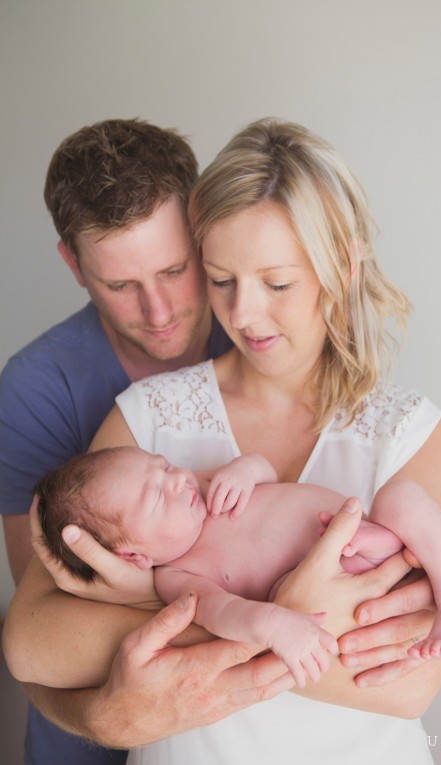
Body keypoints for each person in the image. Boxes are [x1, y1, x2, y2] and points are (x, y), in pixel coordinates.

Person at [4, 118, 441, 763]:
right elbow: (31, 641)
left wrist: (164, 617)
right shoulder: (150, 416)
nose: (243, 315)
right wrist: (256, 617)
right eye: (221, 281)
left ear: (342, 266)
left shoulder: (403, 425)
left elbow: (408, 688)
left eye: (278, 283)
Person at [0, 118, 233, 765]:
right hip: (82, 733)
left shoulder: (259, 336)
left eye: (174, 268)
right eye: (121, 285)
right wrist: (105, 718)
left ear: (202, 231)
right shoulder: (34, 387)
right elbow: (46, 613)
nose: (158, 312)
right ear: (73, 265)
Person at [36, 447, 441, 666]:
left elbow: (266, 470)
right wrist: (272, 624)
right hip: (339, 582)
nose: (178, 481)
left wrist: (246, 470)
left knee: (401, 496)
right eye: (156, 497)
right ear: (134, 557)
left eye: (164, 465)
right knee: (283, 594)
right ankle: (372, 551)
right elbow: (224, 612)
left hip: (375, 530)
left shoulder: (207, 491)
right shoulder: (177, 576)